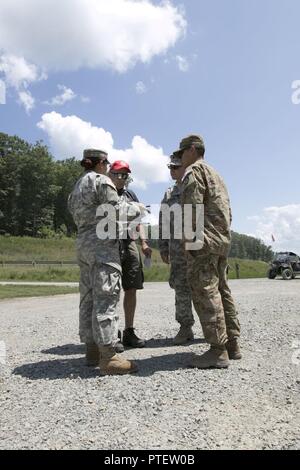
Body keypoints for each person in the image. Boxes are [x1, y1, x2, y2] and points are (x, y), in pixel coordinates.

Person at [68, 149, 146, 375]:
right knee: (106, 296)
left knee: (88, 297)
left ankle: (91, 350)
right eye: (107, 163)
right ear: (101, 163)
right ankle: (109, 356)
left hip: (83, 244)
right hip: (102, 246)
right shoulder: (101, 180)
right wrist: (138, 209)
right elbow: (116, 210)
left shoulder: (77, 186)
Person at [175, 135, 241, 368]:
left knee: (205, 290)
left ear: (193, 150)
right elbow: (228, 211)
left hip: (203, 241)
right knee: (222, 289)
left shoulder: (194, 171)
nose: (181, 157)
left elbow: (192, 210)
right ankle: (232, 344)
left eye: (182, 152)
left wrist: (188, 241)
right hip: (221, 239)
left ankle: (217, 350)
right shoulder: (217, 175)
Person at [109, 160, 152, 350]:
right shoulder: (106, 192)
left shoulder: (130, 194)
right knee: (111, 289)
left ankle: (129, 331)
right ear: (110, 173)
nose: (121, 178)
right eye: (117, 173)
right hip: (110, 242)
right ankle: (112, 333)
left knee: (131, 287)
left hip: (130, 241)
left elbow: (138, 222)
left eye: (125, 175)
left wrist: (143, 242)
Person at [159, 154, 195, 344]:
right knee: (180, 287)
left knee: (203, 287)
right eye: (170, 167)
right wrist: (163, 247)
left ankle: (213, 329)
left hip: (197, 248)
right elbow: (164, 221)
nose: (172, 171)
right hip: (177, 250)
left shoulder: (196, 187)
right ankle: (185, 327)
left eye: (175, 167)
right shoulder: (169, 194)